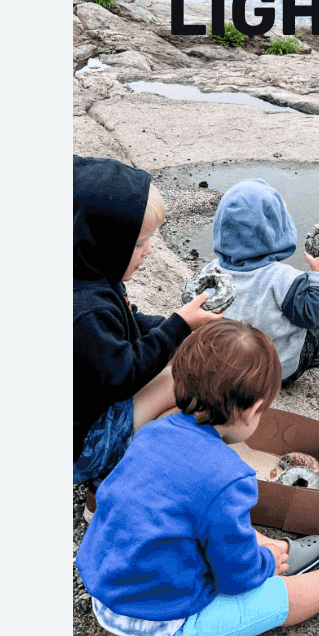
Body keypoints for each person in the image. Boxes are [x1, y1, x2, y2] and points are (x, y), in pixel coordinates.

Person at [76, 319, 319, 636]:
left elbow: (173, 513)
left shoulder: (152, 433)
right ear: (254, 410)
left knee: (209, 521)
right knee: (277, 599)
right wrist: (266, 564)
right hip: (156, 629)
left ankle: (273, 549)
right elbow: (236, 581)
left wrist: (263, 549)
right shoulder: (229, 477)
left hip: (109, 592)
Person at [74, 156, 218, 490]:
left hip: (91, 407)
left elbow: (130, 326)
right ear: (103, 244)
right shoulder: (86, 311)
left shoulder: (90, 277)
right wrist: (179, 326)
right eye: (139, 243)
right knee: (178, 377)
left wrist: (185, 329)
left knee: (177, 357)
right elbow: (123, 374)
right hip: (82, 447)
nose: (149, 251)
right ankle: (110, 479)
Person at [209, 179, 319, 387]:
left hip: (233, 368)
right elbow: (311, 316)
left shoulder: (211, 272)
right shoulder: (284, 279)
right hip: (276, 373)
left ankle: (310, 352)